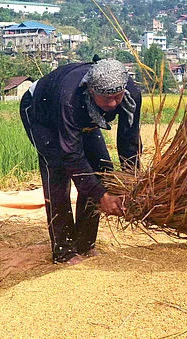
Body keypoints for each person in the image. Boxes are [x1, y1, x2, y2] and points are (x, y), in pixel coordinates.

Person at [20, 58, 142, 264]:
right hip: (42, 113)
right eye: (107, 99)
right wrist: (102, 196)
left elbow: (129, 141)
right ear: (91, 91)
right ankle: (63, 249)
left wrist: (131, 184)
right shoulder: (70, 99)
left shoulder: (131, 94)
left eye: (117, 97)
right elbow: (72, 156)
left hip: (85, 116)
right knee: (57, 171)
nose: (113, 104)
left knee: (103, 169)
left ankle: (85, 243)